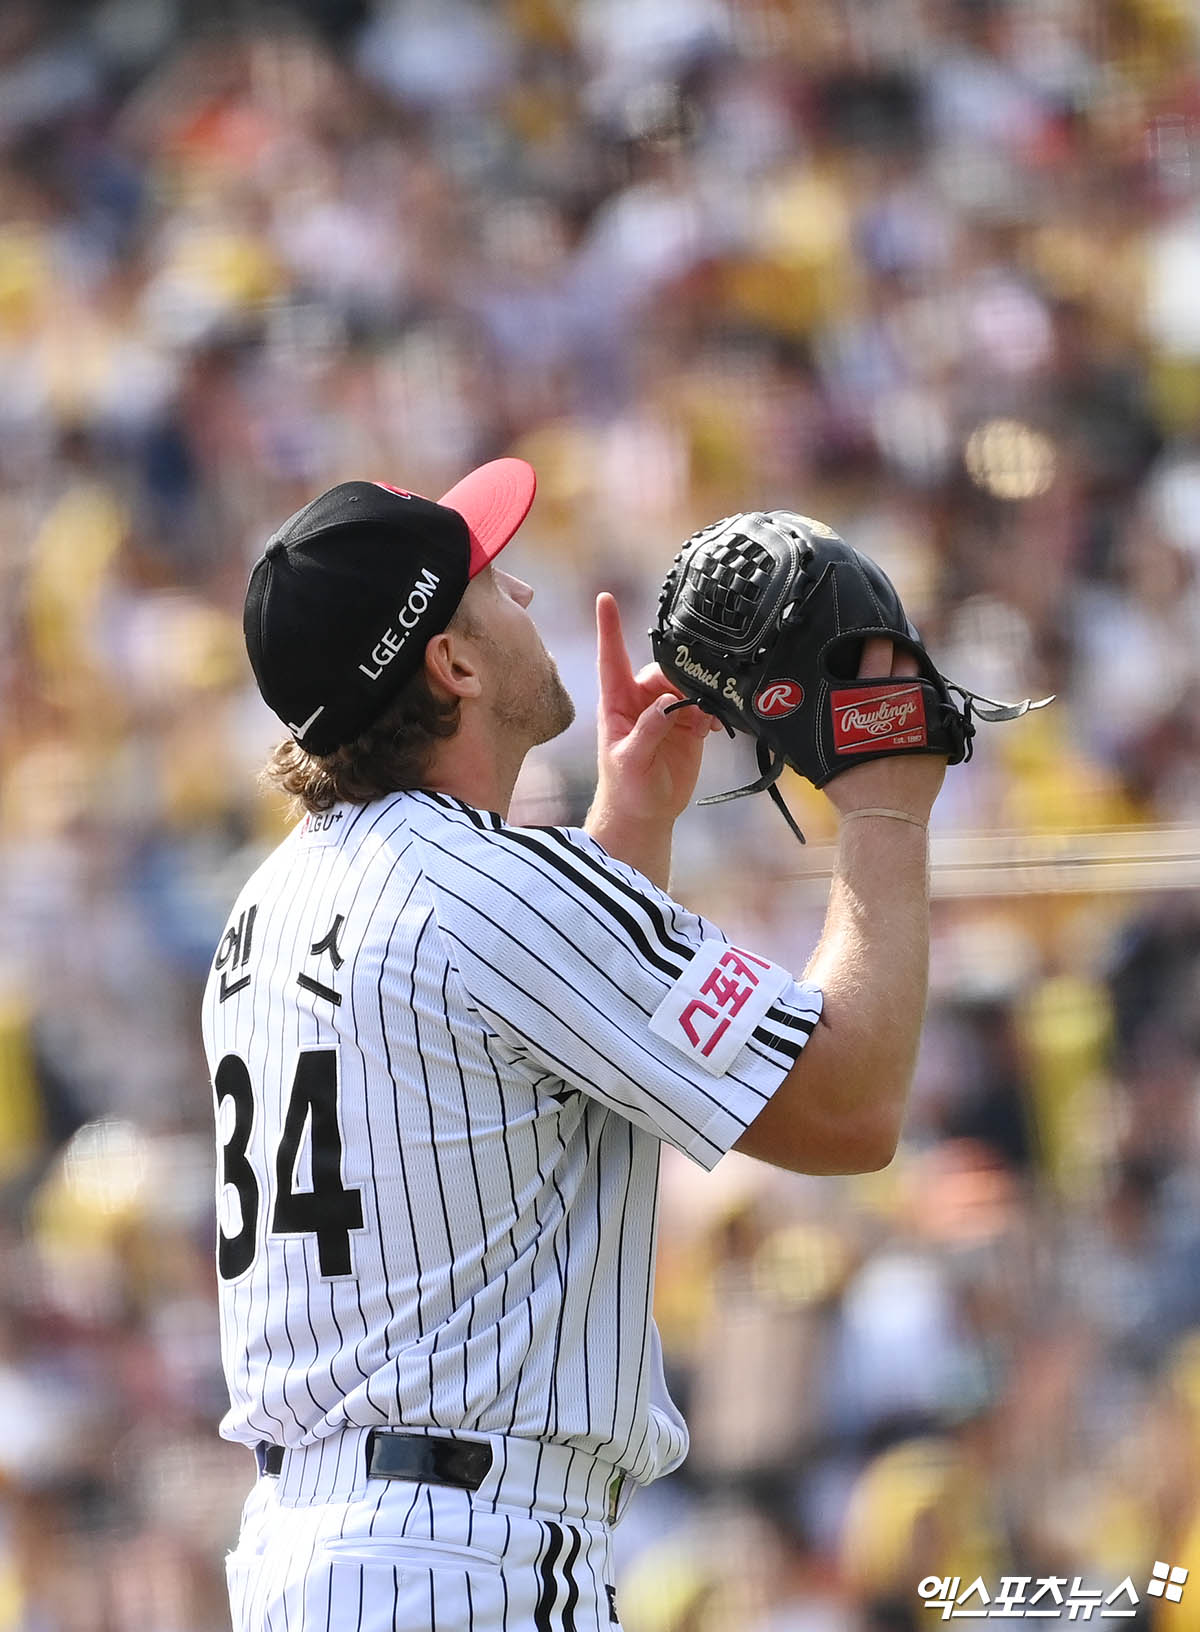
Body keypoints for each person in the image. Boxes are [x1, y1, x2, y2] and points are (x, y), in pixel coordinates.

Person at [202, 457, 945, 1632]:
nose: (528, 601)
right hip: (465, 1563)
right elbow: (848, 1105)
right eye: (492, 583)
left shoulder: (271, 902)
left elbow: (534, 1075)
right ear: (449, 663)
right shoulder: (491, 889)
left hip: (327, 1557)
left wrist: (631, 822)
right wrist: (887, 808)